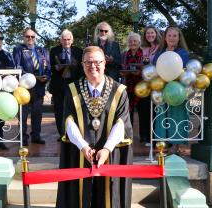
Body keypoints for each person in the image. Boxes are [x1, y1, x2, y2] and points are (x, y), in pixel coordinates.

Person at [56, 46, 133, 208]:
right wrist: (83, 146)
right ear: (82, 65)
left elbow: (121, 124)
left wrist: (106, 149)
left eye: (97, 62)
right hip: (80, 152)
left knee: (108, 197)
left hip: (110, 152)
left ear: (105, 63)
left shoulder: (119, 91)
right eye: (88, 62)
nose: (93, 66)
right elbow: (69, 122)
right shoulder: (73, 90)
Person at [151, 25, 190, 154]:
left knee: (177, 114)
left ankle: (176, 144)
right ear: (165, 38)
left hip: (177, 89)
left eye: (175, 36)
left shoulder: (183, 53)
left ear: (179, 38)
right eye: (169, 36)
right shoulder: (160, 53)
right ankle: (163, 142)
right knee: (162, 114)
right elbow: (154, 68)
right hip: (162, 88)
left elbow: (183, 72)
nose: (172, 38)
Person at [13, 28, 50, 145]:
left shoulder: (42, 50)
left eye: (32, 37)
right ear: (23, 37)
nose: (30, 39)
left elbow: (48, 68)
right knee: (23, 115)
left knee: (37, 114)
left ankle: (36, 136)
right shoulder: (18, 49)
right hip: (24, 88)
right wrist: (32, 77)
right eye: (27, 36)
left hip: (39, 87)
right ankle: (23, 138)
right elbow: (17, 67)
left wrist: (46, 77)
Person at [48, 29, 83, 140]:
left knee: (74, 109)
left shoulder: (79, 51)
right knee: (59, 111)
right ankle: (62, 134)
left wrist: (76, 66)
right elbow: (50, 67)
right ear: (61, 40)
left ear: (72, 40)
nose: (66, 41)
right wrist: (56, 67)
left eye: (68, 39)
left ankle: (73, 134)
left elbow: (82, 69)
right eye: (64, 39)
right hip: (59, 85)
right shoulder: (54, 51)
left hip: (73, 84)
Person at [121, 32, 151, 145]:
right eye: (130, 41)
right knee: (128, 113)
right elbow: (121, 68)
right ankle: (128, 136)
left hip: (142, 87)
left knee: (144, 113)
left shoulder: (144, 53)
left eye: (135, 41)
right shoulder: (124, 54)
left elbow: (149, 70)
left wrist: (140, 71)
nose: (132, 43)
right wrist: (124, 73)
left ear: (139, 43)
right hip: (128, 87)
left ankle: (145, 138)